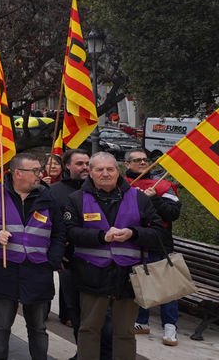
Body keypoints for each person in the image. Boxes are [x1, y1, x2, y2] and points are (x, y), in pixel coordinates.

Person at [66, 153, 168, 360]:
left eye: (110, 169)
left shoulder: (138, 197)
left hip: (128, 277)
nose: (105, 173)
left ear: (118, 171)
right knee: (89, 329)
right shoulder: (76, 199)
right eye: (99, 169)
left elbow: (159, 233)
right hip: (91, 275)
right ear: (90, 173)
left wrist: (134, 233)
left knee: (125, 332)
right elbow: (70, 232)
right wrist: (101, 236)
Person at [0, 153, 65, 360]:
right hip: (4, 269)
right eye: (36, 171)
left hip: (38, 270)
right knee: (1, 325)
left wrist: (53, 261)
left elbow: (58, 233)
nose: (41, 174)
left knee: (37, 327)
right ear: (18, 173)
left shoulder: (48, 197)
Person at [124, 148, 182, 345]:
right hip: (131, 243)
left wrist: (154, 199)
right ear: (127, 164)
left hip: (159, 244)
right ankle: (141, 321)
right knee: (139, 283)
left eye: (145, 160)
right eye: (137, 160)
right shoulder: (121, 185)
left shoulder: (164, 185)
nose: (142, 163)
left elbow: (172, 214)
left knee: (165, 287)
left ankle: (170, 327)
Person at [48, 149, 90, 341]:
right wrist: (57, 255)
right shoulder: (55, 192)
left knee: (98, 314)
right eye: (80, 164)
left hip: (98, 264)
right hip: (69, 261)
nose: (85, 168)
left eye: (87, 163)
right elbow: (50, 227)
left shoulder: (100, 188)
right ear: (68, 166)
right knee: (75, 310)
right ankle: (82, 350)